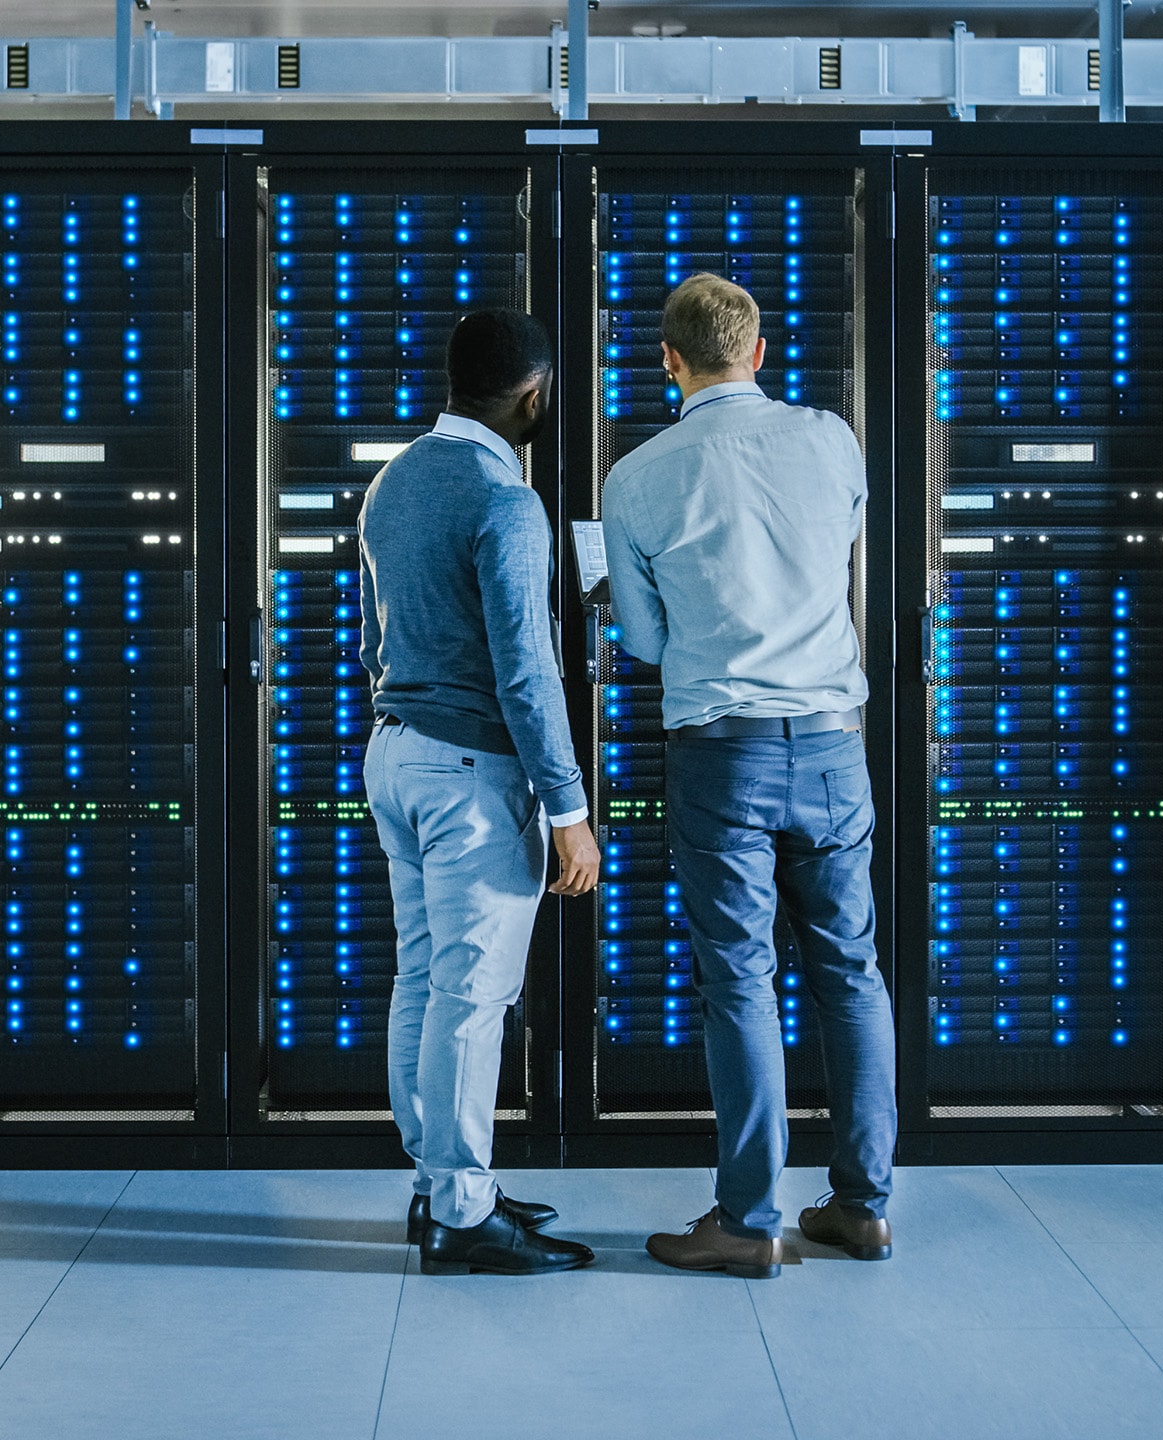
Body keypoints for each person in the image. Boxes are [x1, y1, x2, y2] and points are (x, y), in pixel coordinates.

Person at [604, 274, 896, 1280]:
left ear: (669, 361)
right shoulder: (832, 440)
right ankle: (861, 1208)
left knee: (741, 981)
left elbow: (642, 642)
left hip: (720, 753)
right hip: (829, 744)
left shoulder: (638, 476)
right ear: (760, 352)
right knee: (850, 974)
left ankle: (749, 1220)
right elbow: (839, 556)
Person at [359, 308, 601, 1276]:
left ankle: (439, 1189)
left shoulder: (395, 478)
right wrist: (570, 811)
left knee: (423, 979)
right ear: (532, 393)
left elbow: (379, 640)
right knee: (471, 995)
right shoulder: (506, 499)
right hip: (470, 774)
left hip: (396, 754)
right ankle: (461, 1213)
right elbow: (527, 670)